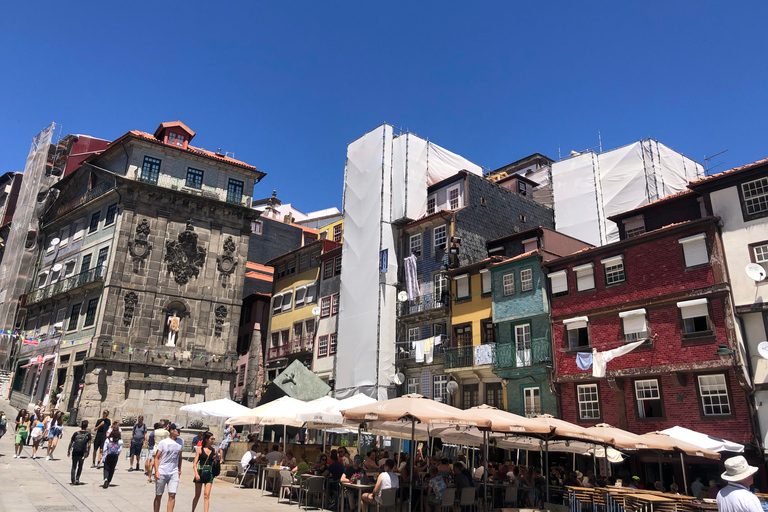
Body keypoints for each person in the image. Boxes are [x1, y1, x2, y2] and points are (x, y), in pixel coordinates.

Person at [154, 423, 184, 512]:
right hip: (162, 471)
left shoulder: (180, 441)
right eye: (177, 430)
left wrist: (179, 470)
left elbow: (180, 457)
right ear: (171, 431)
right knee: (158, 495)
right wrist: (156, 471)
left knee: (172, 495)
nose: (179, 431)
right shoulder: (163, 442)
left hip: (174, 471)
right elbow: (157, 457)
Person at [192, 432, 217, 512]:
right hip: (201, 471)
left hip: (209, 472)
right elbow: (195, 463)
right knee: (197, 495)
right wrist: (196, 474)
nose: (213, 441)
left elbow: (215, 464)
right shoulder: (200, 450)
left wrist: (217, 459)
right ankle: (193, 510)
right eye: (211, 439)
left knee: (206, 495)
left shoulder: (214, 450)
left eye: (214, 439)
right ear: (206, 440)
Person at [67, 420, 91, 485]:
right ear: (86, 426)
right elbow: (89, 444)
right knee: (80, 466)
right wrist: (88, 452)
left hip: (75, 451)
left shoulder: (76, 433)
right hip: (82, 452)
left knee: (74, 466)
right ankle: (77, 479)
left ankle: (72, 479)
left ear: (81, 426)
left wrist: (69, 451)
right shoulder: (88, 434)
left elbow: (71, 442)